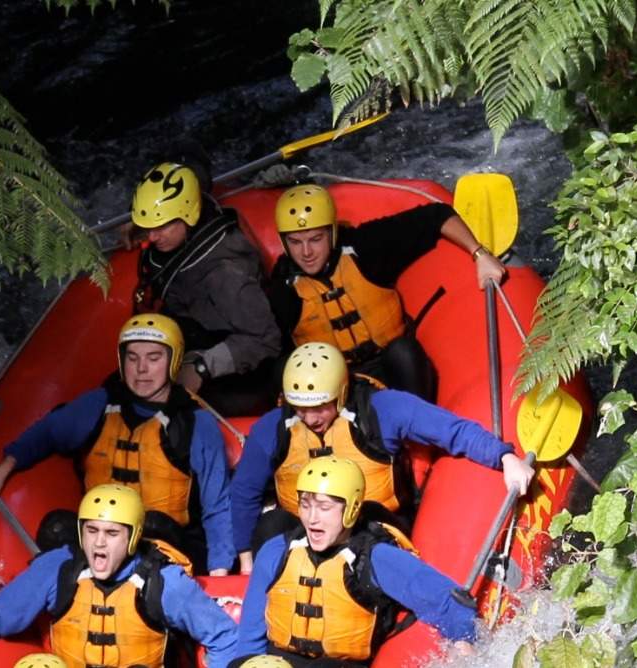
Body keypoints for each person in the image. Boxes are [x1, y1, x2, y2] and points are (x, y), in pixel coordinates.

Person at [210, 343, 532, 573]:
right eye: (301, 408)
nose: (310, 418)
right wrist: (246, 560)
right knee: (271, 525)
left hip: (375, 527)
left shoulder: (382, 409)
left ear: (340, 392)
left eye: (319, 406)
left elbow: (451, 430)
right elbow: (245, 491)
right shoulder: (273, 428)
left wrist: (504, 458)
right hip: (308, 533)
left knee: (368, 524)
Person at [0, 485, 261, 668]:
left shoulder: (165, 583)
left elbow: (224, 638)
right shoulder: (59, 568)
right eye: (92, 531)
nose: (99, 544)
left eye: (112, 534)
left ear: (133, 537)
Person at [0, 313, 237, 560]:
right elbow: (46, 433)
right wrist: (1, 470)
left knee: (154, 524)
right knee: (55, 528)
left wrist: (220, 569)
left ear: (174, 361)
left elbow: (218, 506)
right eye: (132, 358)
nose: (141, 369)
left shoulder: (196, 422)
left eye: (154, 358)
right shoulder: (99, 404)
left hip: (165, 546)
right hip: (101, 536)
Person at [215, 460, 481, 668]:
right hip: (279, 660)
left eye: (324, 507)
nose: (312, 519)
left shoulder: (376, 557)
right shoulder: (276, 551)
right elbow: (250, 640)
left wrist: (463, 642)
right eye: (306, 505)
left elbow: (448, 601)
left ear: (351, 509)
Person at [266, 184, 509, 402]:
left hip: (393, 367)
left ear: (332, 232)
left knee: (403, 351)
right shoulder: (282, 288)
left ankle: (418, 431)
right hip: (333, 385)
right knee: (282, 369)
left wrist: (479, 253)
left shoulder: (364, 247)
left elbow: (437, 215)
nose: (306, 252)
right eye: (295, 242)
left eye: (315, 239)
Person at [129, 162, 285, 417]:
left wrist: (201, 367)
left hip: (241, 369)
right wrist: (140, 223)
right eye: (149, 227)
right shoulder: (186, 219)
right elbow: (190, 156)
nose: (152, 237)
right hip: (192, 331)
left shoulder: (224, 275)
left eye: (161, 226)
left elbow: (266, 339)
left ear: (188, 215)